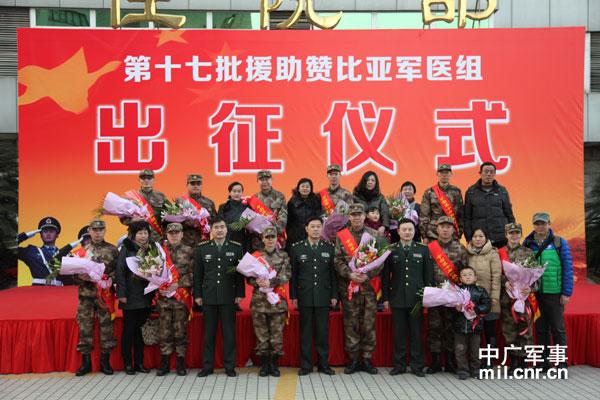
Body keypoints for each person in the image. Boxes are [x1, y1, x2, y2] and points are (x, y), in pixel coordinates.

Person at [334, 203, 382, 375]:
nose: (356, 217)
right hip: (349, 287)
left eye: (359, 214)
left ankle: (367, 359)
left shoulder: (374, 234)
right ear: (349, 217)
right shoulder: (341, 236)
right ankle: (353, 360)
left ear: (364, 216)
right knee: (351, 323)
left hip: (369, 288)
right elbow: (337, 260)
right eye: (353, 215)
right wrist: (350, 275)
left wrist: (367, 275)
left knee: (368, 324)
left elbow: (381, 260)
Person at [194, 218, 245, 377]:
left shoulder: (236, 247)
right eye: (216, 227)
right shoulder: (202, 248)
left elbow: (239, 273)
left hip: (228, 295)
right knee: (208, 334)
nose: (220, 230)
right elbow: (198, 274)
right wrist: (198, 294)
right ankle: (207, 366)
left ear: (226, 230)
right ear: (211, 230)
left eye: (222, 227)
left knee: (229, 333)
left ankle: (229, 366)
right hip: (208, 296)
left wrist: (240, 293)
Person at [382, 218, 433, 377]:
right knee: (399, 334)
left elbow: (428, 276)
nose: (407, 232)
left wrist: (427, 296)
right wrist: (385, 298)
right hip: (397, 297)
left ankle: (417, 365)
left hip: (416, 298)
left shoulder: (423, 250)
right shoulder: (390, 249)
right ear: (398, 231)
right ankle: (400, 365)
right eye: (404, 229)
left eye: (410, 229)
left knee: (417, 333)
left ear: (414, 231)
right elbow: (385, 277)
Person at [523, 212, 573, 371]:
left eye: (543, 223)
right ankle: (544, 363)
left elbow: (568, 268)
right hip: (536, 294)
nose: (540, 226)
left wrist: (566, 292)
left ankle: (561, 364)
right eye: (537, 224)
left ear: (549, 224)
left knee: (558, 329)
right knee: (540, 329)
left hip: (554, 292)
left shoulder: (559, 242)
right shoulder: (528, 243)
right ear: (533, 225)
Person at [290, 216, 337, 376]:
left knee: (322, 332)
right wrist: (294, 296)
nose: (316, 229)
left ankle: (323, 364)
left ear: (322, 229)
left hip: (323, 295)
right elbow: (294, 275)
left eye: (318, 226)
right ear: (306, 229)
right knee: (306, 332)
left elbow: (333, 275)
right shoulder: (297, 248)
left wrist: (334, 295)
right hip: (305, 295)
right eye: (313, 226)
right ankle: (306, 365)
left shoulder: (329, 248)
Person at [74, 219, 119, 376]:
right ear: (89, 231)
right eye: (95, 230)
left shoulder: (113, 250)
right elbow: (73, 274)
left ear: (104, 231)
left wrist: (110, 278)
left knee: (107, 327)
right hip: (86, 295)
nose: (98, 233)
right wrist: (80, 276)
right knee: (85, 327)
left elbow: (118, 272)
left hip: (105, 296)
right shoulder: (82, 251)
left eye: (100, 230)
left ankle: (105, 362)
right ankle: (85, 363)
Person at [426, 216, 468, 374]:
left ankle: (450, 361)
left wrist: (462, 296)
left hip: (453, 297)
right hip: (434, 295)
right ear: (437, 229)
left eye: (448, 227)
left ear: (453, 230)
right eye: (442, 226)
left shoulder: (461, 249)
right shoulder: (429, 248)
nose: (445, 229)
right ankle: (435, 361)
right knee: (434, 327)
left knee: (451, 328)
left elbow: (465, 273)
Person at [248, 226, 291, 377]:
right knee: (261, 335)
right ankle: (264, 365)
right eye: (267, 237)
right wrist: (257, 282)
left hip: (277, 301)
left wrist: (271, 282)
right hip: (259, 302)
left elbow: (287, 274)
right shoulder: (256, 256)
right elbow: (248, 277)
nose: (270, 240)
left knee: (276, 336)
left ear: (277, 238)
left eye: (273, 237)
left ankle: (274, 364)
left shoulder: (283, 255)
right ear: (262, 239)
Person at [115, 220, 155, 375]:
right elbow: (120, 271)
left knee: (140, 329)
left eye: (145, 233)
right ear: (133, 235)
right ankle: (127, 363)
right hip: (130, 295)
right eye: (140, 233)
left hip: (146, 295)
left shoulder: (152, 248)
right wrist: (121, 294)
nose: (143, 236)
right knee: (129, 329)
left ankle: (139, 362)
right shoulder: (126, 248)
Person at [155, 223, 194, 377]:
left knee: (180, 332)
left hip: (180, 299)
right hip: (164, 298)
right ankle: (164, 363)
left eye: (177, 233)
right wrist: (159, 285)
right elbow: (152, 273)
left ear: (182, 234)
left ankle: (180, 363)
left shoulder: (189, 251)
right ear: (167, 234)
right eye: (171, 233)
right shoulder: (159, 253)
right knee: (164, 332)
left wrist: (178, 284)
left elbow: (194, 274)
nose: (174, 235)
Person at [499, 223, 535, 374]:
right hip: (507, 299)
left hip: (523, 299)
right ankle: (513, 362)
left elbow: (535, 275)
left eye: (517, 233)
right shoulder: (499, 253)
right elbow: (495, 273)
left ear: (521, 234)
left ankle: (524, 362)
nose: (514, 236)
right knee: (509, 331)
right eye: (511, 233)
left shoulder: (528, 252)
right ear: (506, 235)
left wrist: (531, 288)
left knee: (525, 330)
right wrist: (504, 282)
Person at [465, 228, 502, 368]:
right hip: (471, 301)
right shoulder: (467, 253)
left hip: (489, 300)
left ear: (486, 238)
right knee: (475, 333)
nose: (478, 239)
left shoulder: (493, 253)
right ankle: (475, 361)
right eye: (475, 236)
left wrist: (494, 297)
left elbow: (496, 277)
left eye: (481, 236)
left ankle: (489, 361)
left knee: (489, 331)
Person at [464, 162, 515, 248]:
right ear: (480, 173)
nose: (488, 174)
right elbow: (467, 217)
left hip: (500, 238)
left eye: (491, 172)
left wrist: (512, 234)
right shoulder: (471, 192)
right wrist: (469, 238)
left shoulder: (502, 191)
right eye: (486, 171)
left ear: (495, 174)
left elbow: (509, 214)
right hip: (480, 239)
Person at [453, 266, 491, 380]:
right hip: (460, 326)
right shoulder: (456, 291)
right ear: (460, 279)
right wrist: (456, 308)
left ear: (475, 277)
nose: (467, 277)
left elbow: (487, 305)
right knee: (460, 350)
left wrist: (477, 309)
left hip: (475, 327)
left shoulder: (481, 291)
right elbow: (448, 307)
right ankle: (462, 370)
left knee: (475, 350)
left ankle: (475, 370)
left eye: (470, 274)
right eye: (464, 275)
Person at [17, 216, 73, 286]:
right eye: (45, 231)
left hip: (59, 290)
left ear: (57, 235)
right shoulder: (31, 251)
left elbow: (71, 278)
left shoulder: (66, 254)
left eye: (51, 231)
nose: (48, 234)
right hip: (39, 290)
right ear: (40, 235)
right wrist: (26, 235)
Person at [420, 164, 464, 243]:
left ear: (451, 174)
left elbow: (460, 214)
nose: (444, 175)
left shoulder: (456, 191)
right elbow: (424, 215)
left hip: (452, 233)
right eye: (441, 172)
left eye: (446, 173)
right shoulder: (429, 192)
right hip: (433, 234)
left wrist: (459, 232)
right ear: (437, 174)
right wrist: (424, 235)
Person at [120, 169, 166, 242]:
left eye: (149, 178)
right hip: (135, 238)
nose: (146, 180)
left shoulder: (161, 196)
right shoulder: (130, 197)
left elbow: (167, 216)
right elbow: (122, 218)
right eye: (143, 178)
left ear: (154, 180)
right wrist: (132, 220)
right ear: (139, 180)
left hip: (155, 238)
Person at [250, 170, 288, 251]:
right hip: (259, 241)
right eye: (261, 180)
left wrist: (273, 231)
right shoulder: (254, 199)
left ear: (271, 180)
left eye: (267, 179)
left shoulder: (280, 196)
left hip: (276, 240)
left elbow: (283, 218)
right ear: (257, 181)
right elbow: (251, 221)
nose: (264, 182)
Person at [177, 174, 217, 248]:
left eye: (198, 184)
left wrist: (205, 226)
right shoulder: (180, 201)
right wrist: (186, 223)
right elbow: (174, 222)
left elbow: (215, 222)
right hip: (185, 243)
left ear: (201, 185)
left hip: (204, 241)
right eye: (192, 184)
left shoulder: (209, 202)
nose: (195, 186)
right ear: (187, 185)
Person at [286, 178, 322, 252]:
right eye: (302, 186)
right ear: (298, 188)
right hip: (295, 235)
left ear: (311, 189)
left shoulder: (316, 200)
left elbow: (318, 217)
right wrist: (290, 234)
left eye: (307, 187)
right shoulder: (292, 201)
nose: (305, 188)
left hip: (311, 234)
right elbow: (288, 220)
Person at [352, 171, 390, 236]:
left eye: (373, 180)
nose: (370, 182)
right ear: (364, 181)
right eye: (368, 180)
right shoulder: (355, 196)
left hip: (376, 229)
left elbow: (385, 212)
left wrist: (384, 226)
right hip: (359, 228)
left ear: (376, 183)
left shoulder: (380, 197)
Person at [217, 181, 251, 253]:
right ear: (230, 193)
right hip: (227, 239)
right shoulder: (223, 207)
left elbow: (250, 226)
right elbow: (220, 224)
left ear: (242, 193)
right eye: (234, 191)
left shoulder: (247, 207)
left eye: (239, 191)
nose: (236, 193)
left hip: (243, 240)